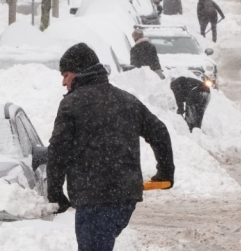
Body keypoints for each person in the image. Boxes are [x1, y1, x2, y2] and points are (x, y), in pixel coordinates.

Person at [47, 43, 175, 251]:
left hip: (94, 198)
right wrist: (165, 172)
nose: (64, 82)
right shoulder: (126, 101)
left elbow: (58, 152)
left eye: (66, 75)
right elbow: (159, 131)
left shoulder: (72, 104)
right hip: (125, 198)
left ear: (78, 73)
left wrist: (55, 193)